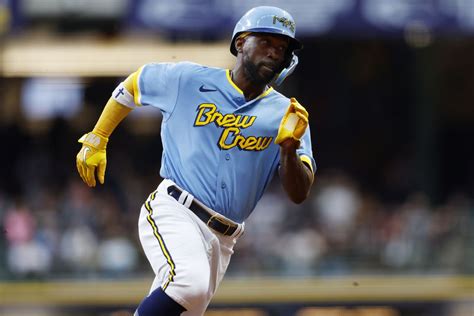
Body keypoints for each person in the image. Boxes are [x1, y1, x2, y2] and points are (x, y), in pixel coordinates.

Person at [75, 6, 316, 316]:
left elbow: (299, 193)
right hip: (176, 209)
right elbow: (134, 85)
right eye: (266, 42)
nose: (274, 52)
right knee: (188, 285)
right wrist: (99, 137)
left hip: (224, 239)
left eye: (282, 48)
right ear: (240, 43)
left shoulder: (289, 115)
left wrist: (288, 147)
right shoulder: (188, 79)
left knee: (183, 300)